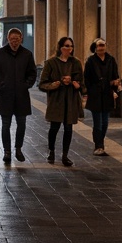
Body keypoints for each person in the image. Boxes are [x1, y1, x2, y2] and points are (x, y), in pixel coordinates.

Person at [0, 27, 37, 164]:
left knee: (22, 124)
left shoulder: (27, 54)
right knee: (5, 124)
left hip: (21, 95)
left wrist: (26, 84)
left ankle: (18, 148)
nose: (14, 42)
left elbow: (32, 73)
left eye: (17, 39)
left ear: (21, 39)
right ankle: (7, 151)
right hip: (5, 94)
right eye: (12, 39)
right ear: (8, 39)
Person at [39, 36, 84, 166]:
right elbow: (42, 84)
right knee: (54, 127)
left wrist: (77, 84)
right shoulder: (51, 63)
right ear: (60, 47)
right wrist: (55, 84)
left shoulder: (76, 63)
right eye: (66, 46)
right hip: (57, 100)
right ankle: (51, 151)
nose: (69, 49)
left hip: (70, 99)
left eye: (71, 46)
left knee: (68, 128)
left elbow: (82, 82)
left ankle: (65, 155)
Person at [84, 38, 122, 156]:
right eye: (99, 45)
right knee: (98, 122)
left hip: (107, 94)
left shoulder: (111, 60)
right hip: (95, 95)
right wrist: (90, 91)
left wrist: (115, 86)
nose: (101, 47)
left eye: (103, 45)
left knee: (105, 122)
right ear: (95, 47)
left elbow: (115, 76)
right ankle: (99, 146)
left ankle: (101, 142)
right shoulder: (90, 61)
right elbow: (87, 79)